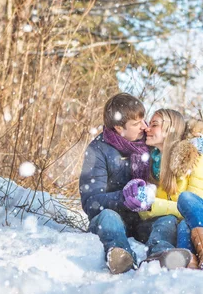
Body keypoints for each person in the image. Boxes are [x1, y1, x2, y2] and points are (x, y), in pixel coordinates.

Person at [79, 93, 191, 275]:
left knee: (166, 220)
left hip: (143, 218)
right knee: (108, 218)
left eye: (143, 120)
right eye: (136, 124)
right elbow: (90, 201)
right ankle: (121, 256)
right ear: (118, 127)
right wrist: (123, 198)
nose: (144, 127)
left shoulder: (149, 143)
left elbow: (178, 146)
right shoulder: (97, 150)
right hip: (113, 219)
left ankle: (160, 254)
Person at [133, 109, 203, 270]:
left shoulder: (194, 157)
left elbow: (198, 204)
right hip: (189, 236)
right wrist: (142, 202)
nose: (148, 128)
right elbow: (147, 210)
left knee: (186, 199)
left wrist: (154, 204)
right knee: (169, 222)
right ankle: (172, 259)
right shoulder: (150, 169)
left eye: (154, 124)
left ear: (170, 129)